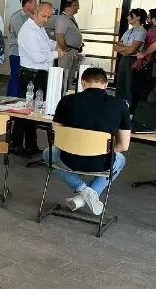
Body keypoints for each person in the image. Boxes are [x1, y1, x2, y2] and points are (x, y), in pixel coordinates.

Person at [43, 67, 130, 215]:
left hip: (69, 160)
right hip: (101, 163)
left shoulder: (67, 101)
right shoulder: (120, 105)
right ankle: (88, 194)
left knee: (48, 154)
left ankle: (82, 192)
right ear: (105, 84)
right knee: (120, 159)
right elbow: (124, 145)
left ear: (83, 82)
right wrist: (104, 151)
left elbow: (56, 136)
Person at [11, 2, 65, 157]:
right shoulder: (28, 31)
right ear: (35, 12)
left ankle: (31, 143)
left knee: (35, 111)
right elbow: (37, 57)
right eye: (43, 16)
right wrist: (57, 54)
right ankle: (15, 143)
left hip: (39, 74)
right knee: (26, 111)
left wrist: (56, 45)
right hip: (31, 75)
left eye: (49, 17)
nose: (46, 20)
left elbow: (46, 43)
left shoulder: (38, 28)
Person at [114, 8, 148, 107]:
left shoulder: (142, 31)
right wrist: (128, 48)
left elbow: (131, 50)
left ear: (138, 18)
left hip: (133, 61)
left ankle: (128, 108)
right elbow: (116, 47)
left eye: (131, 15)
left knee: (128, 86)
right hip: (124, 59)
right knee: (121, 84)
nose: (128, 17)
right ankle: (118, 105)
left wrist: (126, 49)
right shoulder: (129, 31)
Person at [6, 0, 37, 97]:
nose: (36, 6)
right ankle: (11, 99)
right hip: (17, 53)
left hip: (26, 54)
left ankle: (20, 99)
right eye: (34, 3)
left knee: (23, 78)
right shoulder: (17, 17)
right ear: (28, 4)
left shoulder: (31, 17)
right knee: (15, 77)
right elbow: (23, 36)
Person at [55, 0, 84, 95]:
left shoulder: (70, 19)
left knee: (70, 77)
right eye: (77, 5)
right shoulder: (63, 19)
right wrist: (66, 50)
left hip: (73, 51)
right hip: (67, 52)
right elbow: (59, 36)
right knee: (63, 76)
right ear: (71, 6)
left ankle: (66, 94)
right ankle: (60, 95)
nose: (78, 8)